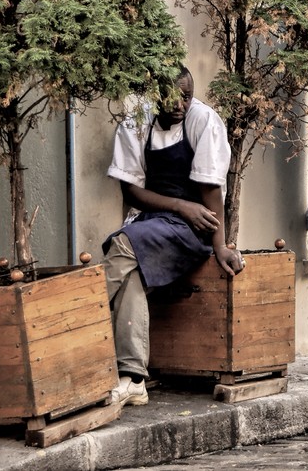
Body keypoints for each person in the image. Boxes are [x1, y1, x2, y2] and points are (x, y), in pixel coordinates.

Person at [101, 66, 242, 407]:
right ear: (154, 95)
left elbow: (211, 190)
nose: (179, 104)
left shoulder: (203, 121)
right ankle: (133, 378)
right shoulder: (136, 123)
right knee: (131, 274)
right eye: (170, 96)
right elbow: (131, 192)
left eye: (186, 96)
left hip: (191, 230)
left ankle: (78, 320)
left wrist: (219, 245)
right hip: (155, 221)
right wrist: (180, 205)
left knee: (121, 243)